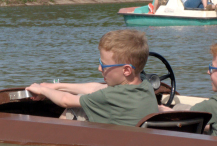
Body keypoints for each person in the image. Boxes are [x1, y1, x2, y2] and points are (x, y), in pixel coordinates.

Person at [26, 29, 159, 127]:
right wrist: (56, 86)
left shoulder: (110, 97)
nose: (99, 68)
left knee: (73, 110)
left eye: (104, 65)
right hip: (133, 136)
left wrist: (41, 90)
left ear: (126, 70)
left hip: (116, 140)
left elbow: (66, 100)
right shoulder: (144, 84)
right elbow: (96, 88)